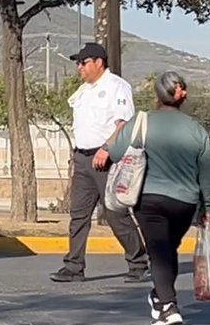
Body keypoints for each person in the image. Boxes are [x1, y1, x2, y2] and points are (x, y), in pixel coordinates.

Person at [103, 71, 210, 325]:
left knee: (159, 252)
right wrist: (207, 205)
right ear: (180, 96)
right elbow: (207, 173)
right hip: (185, 203)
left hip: (150, 199)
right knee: (167, 250)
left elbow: (117, 152)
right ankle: (160, 297)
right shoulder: (196, 129)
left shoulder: (142, 122)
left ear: (157, 94)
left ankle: (168, 306)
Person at [50, 42, 149, 284]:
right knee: (78, 214)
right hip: (83, 158)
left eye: (83, 62)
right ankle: (74, 266)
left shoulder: (116, 87)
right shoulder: (84, 91)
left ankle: (138, 262)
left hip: (106, 158)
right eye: (77, 63)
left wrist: (106, 148)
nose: (78, 67)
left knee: (115, 213)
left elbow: (122, 124)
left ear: (98, 62)